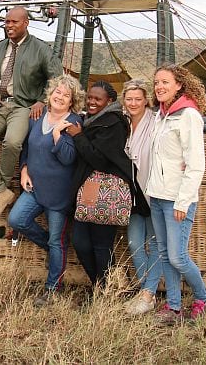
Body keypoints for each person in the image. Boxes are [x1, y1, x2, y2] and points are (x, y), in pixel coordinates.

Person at [0, 6, 62, 220]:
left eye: (13, 22)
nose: (8, 25)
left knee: (12, 143)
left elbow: (57, 78)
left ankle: (0, 188)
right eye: (6, 21)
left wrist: (42, 101)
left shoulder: (40, 48)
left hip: (23, 106)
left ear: (25, 23)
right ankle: (0, 190)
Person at [7, 75, 84, 306]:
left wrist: (58, 134)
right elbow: (27, 148)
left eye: (66, 95)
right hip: (35, 187)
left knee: (56, 239)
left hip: (59, 194)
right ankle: (53, 248)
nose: (60, 97)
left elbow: (69, 158)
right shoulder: (37, 117)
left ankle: (52, 290)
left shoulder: (74, 122)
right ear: (50, 94)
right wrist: (23, 169)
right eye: (57, 92)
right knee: (16, 219)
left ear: (72, 101)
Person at [146, 64, 206, 325]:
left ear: (179, 85)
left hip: (177, 199)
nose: (159, 87)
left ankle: (204, 298)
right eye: (156, 83)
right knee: (164, 254)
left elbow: (196, 164)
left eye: (165, 82)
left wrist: (183, 201)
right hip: (158, 196)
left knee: (178, 256)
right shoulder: (161, 115)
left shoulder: (188, 116)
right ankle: (173, 307)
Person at [67, 81, 135, 288]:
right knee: (80, 242)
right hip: (88, 188)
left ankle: (105, 290)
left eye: (98, 99)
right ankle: (100, 286)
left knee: (101, 245)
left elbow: (99, 160)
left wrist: (78, 137)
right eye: (90, 97)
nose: (92, 102)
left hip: (105, 190)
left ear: (110, 101)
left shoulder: (113, 123)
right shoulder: (90, 119)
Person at [120, 78, 162, 316]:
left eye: (138, 99)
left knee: (155, 242)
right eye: (129, 99)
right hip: (131, 193)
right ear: (123, 101)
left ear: (146, 100)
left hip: (152, 189)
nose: (133, 103)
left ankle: (147, 294)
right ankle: (149, 290)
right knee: (135, 243)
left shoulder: (156, 122)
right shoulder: (122, 122)